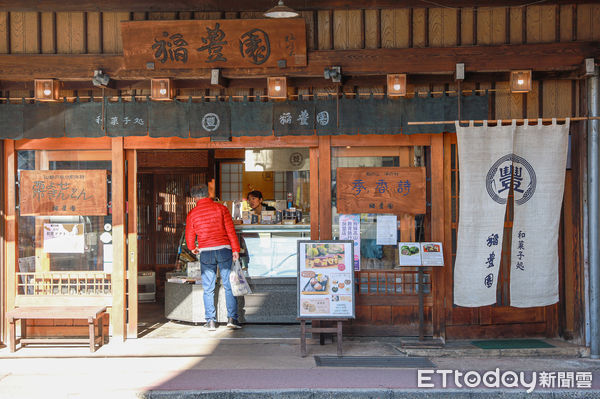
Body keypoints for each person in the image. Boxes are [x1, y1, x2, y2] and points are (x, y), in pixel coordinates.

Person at [185, 184, 242, 331]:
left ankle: (210, 321)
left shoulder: (193, 213)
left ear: (196, 197)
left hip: (206, 252)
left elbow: (190, 235)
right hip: (224, 250)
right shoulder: (221, 208)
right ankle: (232, 319)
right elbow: (230, 230)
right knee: (228, 285)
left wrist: (192, 248)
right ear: (208, 194)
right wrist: (235, 249)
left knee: (208, 287)